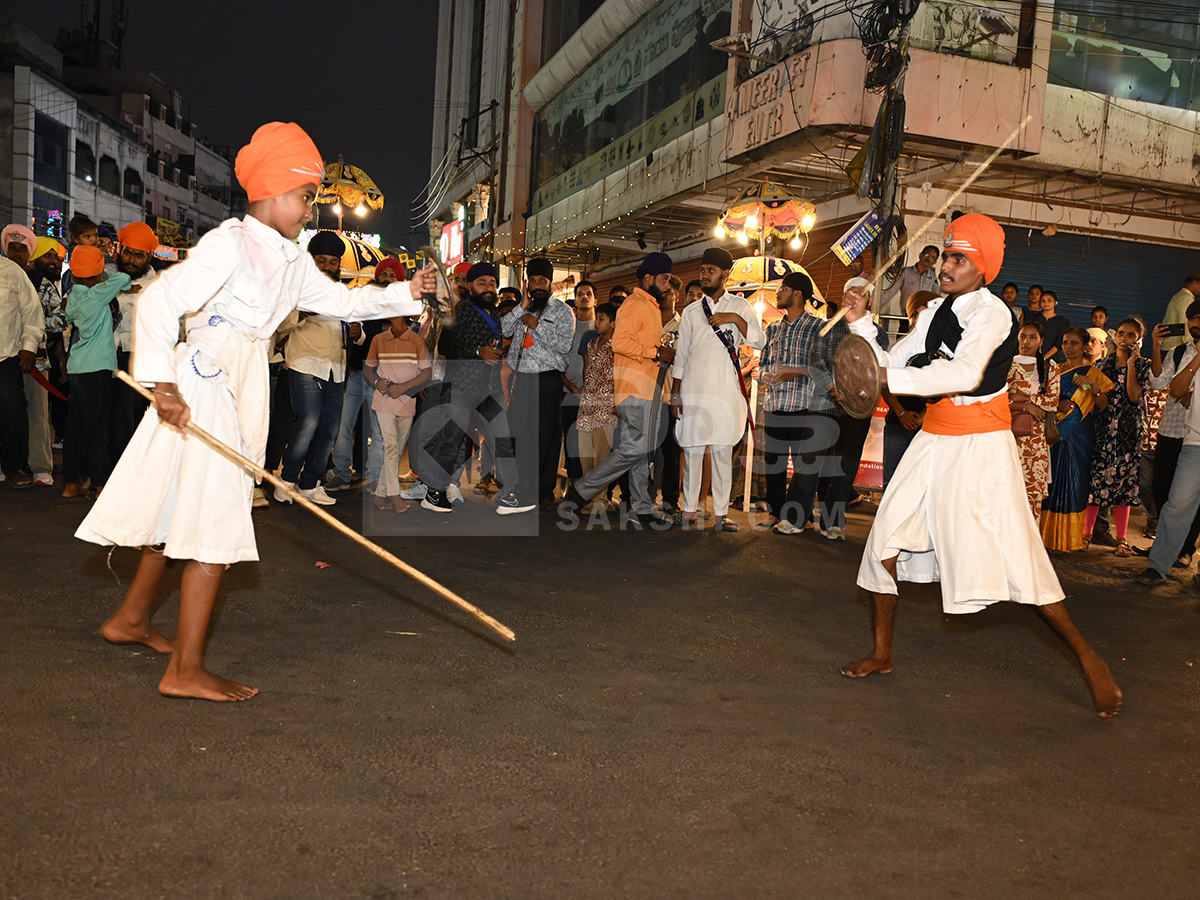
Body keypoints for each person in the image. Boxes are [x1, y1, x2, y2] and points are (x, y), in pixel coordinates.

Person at [77, 121, 433, 701]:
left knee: (179, 504)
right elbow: (162, 299)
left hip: (244, 383)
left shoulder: (293, 262)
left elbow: (343, 302)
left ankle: (133, 620)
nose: (307, 208)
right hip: (205, 381)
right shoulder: (228, 243)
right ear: (270, 190)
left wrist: (405, 293)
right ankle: (185, 671)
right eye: (303, 196)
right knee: (216, 517)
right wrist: (163, 384)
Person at [839, 213, 1121, 718]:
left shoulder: (993, 316)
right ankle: (882, 653)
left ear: (983, 268)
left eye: (958, 258)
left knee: (1020, 562)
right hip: (933, 439)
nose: (946, 265)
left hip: (982, 448)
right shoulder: (932, 313)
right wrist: (861, 323)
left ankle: (1090, 657)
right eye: (946, 255)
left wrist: (884, 372)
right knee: (882, 544)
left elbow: (966, 372)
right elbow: (897, 361)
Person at [562, 252, 676, 529]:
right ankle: (584, 489)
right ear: (649, 278)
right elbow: (619, 343)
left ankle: (640, 507)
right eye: (664, 279)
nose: (668, 285)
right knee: (635, 449)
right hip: (637, 392)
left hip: (642, 390)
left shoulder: (647, 305)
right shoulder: (636, 305)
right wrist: (656, 353)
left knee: (637, 451)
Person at [416, 261, 531, 514]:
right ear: (469, 285)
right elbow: (446, 346)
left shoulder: (494, 313)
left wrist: (522, 305)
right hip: (463, 387)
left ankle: (509, 493)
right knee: (452, 439)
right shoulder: (460, 311)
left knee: (501, 440)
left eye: (492, 283)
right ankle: (434, 492)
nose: (489, 287)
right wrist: (477, 351)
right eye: (482, 283)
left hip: (489, 389)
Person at [671, 247, 766, 532]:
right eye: (702, 270)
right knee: (693, 450)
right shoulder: (689, 312)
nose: (705, 275)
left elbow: (760, 340)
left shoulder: (740, 307)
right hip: (694, 389)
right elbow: (681, 356)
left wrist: (734, 320)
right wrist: (675, 393)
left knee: (723, 450)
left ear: (725, 275)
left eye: (710, 271)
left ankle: (722, 515)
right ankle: (689, 509)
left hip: (725, 390)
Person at [273, 230, 352, 506]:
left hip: (336, 369)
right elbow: (278, 324)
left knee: (329, 428)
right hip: (305, 362)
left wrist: (358, 332)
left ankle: (311, 484)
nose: (328, 267)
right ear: (311, 261)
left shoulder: (342, 292)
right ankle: (286, 480)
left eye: (333, 262)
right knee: (307, 422)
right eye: (322, 260)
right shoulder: (295, 289)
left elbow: (355, 330)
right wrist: (302, 313)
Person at [807, 277, 889, 539]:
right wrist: (832, 385)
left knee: (846, 464)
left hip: (857, 408)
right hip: (825, 402)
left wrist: (851, 391)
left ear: (869, 299)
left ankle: (832, 522)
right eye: (849, 293)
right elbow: (815, 361)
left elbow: (877, 370)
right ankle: (796, 517)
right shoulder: (827, 327)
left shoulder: (879, 333)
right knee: (812, 460)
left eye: (860, 294)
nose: (854, 298)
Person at [502, 258, 574, 508]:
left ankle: (543, 492)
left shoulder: (563, 312)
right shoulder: (524, 307)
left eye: (541, 281)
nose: (536, 285)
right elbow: (504, 330)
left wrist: (538, 327)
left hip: (547, 381)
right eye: (532, 281)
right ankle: (520, 486)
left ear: (550, 282)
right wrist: (521, 306)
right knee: (516, 435)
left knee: (546, 438)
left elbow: (564, 345)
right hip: (522, 379)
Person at [61, 246, 131, 499]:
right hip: (97, 367)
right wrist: (109, 264)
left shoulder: (73, 297)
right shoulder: (97, 295)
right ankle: (101, 486)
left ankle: (71, 484)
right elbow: (123, 278)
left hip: (77, 367)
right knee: (97, 430)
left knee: (75, 429)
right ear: (98, 273)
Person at [758, 270, 825, 532]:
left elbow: (826, 367)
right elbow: (762, 366)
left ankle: (802, 515)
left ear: (798, 294)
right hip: (774, 404)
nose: (778, 293)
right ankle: (775, 512)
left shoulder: (818, 327)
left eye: (783, 288)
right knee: (773, 463)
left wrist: (794, 372)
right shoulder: (772, 328)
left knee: (803, 467)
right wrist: (767, 376)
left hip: (805, 405)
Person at [1040, 328, 1113, 550]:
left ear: (1084, 347)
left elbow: (1102, 406)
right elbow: (1041, 398)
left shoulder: (1093, 373)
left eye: (1074, 343)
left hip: (1079, 434)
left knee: (1073, 482)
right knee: (1049, 483)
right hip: (1052, 431)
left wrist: (1093, 387)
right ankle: (1043, 537)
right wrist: (1057, 405)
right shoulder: (1052, 370)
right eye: (1065, 342)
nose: (1068, 347)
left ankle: (1068, 539)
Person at [1083, 318, 1150, 555]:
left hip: (1128, 433)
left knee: (1125, 484)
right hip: (1104, 431)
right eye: (1121, 333)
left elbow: (1133, 396)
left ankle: (1122, 539)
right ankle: (1086, 534)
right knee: (1097, 482)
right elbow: (1097, 402)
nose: (1124, 338)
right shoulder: (1102, 365)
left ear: (1139, 339)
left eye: (1131, 335)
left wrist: (1132, 364)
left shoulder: (1143, 366)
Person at [1147, 309, 1200, 563]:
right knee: (1162, 489)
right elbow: (1158, 383)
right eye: (1192, 318)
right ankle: (1165, 547)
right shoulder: (1178, 351)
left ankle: (1185, 550)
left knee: (1189, 498)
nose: (1195, 323)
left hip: (1194, 436)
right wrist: (1156, 346)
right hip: (1172, 429)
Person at [364, 311, 430, 512]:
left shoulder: (417, 340)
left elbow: (426, 372)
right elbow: (368, 369)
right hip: (384, 401)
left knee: (395, 450)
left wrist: (404, 387)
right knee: (391, 446)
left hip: (406, 400)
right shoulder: (378, 339)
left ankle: (379, 495)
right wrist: (376, 382)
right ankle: (394, 495)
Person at [109, 222, 160, 461]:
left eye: (138, 255)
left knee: (127, 418)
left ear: (149, 256)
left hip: (137, 359)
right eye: (127, 252)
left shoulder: (158, 288)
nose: (131, 259)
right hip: (103, 355)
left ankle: (122, 472)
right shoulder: (104, 277)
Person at [880, 291, 938, 487]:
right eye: (915, 314)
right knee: (892, 483)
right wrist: (901, 412)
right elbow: (885, 383)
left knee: (922, 487)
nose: (919, 320)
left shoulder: (942, 352)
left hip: (930, 428)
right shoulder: (898, 349)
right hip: (898, 423)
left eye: (925, 315)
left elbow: (947, 389)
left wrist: (922, 415)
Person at [0, 238, 43, 489]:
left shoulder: (12, 271)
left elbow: (32, 313)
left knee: (13, 414)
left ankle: (15, 466)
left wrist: (29, 348)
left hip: (6, 357)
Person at [1007, 321, 1060, 518]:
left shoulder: (1048, 368)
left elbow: (1052, 402)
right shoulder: (1007, 366)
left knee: (1031, 498)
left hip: (1036, 444)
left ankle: (1028, 548)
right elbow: (997, 401)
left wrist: (1022, 397)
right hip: (1008, 439)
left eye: (1032, 337)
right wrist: (1026, 406)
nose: (1026, 341)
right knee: (1005, 494)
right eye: (1022, 336)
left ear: (1041, 341)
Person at [26, 237, 67, 485]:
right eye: (48, 255)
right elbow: (58, 323)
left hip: (37, 359)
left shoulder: (44, 285)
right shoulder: (9, 277)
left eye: (57, 257)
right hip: (11, 355)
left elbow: (58, 324)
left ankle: (41, 468)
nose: (54, 261)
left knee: (38, 414)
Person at [576, 301, 618, 491]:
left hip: (606, 408)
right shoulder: (591, 343)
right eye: (597, 318)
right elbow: (587, 370)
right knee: (586, 454)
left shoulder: (618, 347)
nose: (597, 323)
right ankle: (587, 496)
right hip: (586, 406)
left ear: (613, 323)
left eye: (602, 319)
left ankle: (599, 500)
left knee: (602, 456)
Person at [560, 279, 596, 494]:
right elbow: (557, 360)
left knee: (595, 444)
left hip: (596, 396)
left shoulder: (603, 328)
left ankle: (597, 491)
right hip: (570, 392)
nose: (584, 297)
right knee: (572, 442)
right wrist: (569, 385)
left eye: (588, 294)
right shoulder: (568, 328)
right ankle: (573, 488)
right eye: (580, 294)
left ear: (595, 299)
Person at [880, 244, 939, 327]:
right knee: (903, 338)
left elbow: (938, 296)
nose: (929, 258)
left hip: (925, 318)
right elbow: (890, 292)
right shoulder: (905, 272)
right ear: (920, 255)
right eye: (927, 255)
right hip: (907, 317)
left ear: (934, 262)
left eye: (932, 257)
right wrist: (873, 307)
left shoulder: (932, 275)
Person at [1160, 274, 1200, 352]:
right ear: (1195, 283)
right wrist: (1191, 345)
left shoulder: (1179, 295)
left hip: (1170, 345)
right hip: (1175, 348)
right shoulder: (1186, 298)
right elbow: (1185, 322)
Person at [1038, 289, 1069, 363]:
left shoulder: (1062, 321)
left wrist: (1044, 358)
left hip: (1052, 361)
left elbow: (1058, 343)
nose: (1046, 303)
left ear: (1055, 302)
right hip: (1032, 358)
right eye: (1043, 301)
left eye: (1049, 300)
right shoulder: (1034, 318)